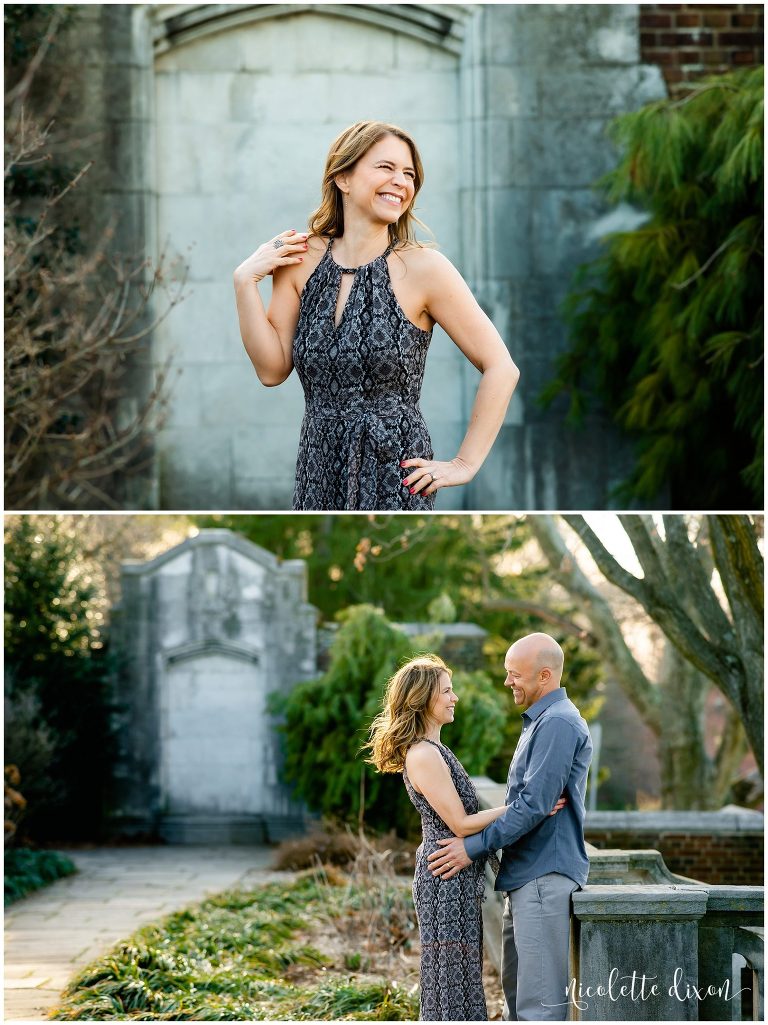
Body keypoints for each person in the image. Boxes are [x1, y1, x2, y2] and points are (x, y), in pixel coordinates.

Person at [233, 119, 519, 511]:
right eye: (385, 167)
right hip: (318, 470)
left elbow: (502, 367)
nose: (400, 181)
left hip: (395, 475)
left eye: (409, 174)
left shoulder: (425, 268)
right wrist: (244, 281)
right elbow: (271, 370)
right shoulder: (299, 260)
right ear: (343, 178)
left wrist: (464, 464)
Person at [364, 654, 566, 1021]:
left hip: (454, 878)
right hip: (444, 881)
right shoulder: (423, 754)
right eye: (447, 691)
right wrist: (527, 806)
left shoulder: (436, 750)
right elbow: (460, 822)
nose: (454, 697)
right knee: (449, 982)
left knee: (459, 977)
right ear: (423, 698)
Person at [427, 633, 593, 1022]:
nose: (508, 682)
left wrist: (471, 848)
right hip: (526, 877)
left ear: (545, 675)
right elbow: (529, 804)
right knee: (519, 1001)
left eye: (514, 674)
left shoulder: (558, 724)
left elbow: (533, 806)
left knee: (539, 1008)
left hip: (543, 876)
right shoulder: (540, 722)